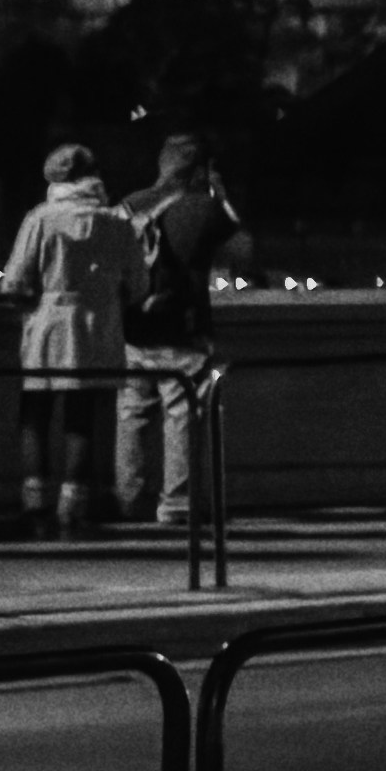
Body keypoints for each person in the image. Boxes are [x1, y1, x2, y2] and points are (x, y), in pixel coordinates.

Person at [0, 145, 141, 538]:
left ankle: (35, 504)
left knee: (35, 416)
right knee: (82, 418)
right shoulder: (117, 221)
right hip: (99, 328)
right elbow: (138, 284)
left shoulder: (41, 218)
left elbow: (16, 281)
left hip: (48, 325)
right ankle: (74, 507)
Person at [117, 133, 250, 533]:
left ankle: (129, 497)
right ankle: (176, 502)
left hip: (134, 327)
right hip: (182, 327)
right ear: (199, 169)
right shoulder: (204, 208)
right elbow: (243, 251)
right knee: (182, 415)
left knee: (132, 415)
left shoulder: (129, 204)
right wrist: (220, 190)